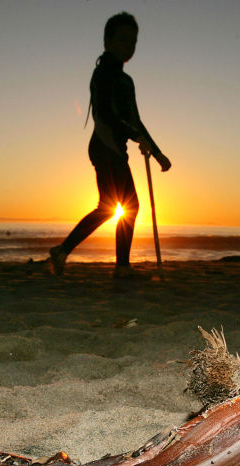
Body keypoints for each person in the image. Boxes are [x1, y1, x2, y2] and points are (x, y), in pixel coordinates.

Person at [48, 12, 171, 279]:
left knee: (109, 207)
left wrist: (157, 151)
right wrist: (136, 137)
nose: (129, 46)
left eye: (133, 41)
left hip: (116, 148)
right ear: (107, 41)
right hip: (104, 146)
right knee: (128, 205)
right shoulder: (102, 73)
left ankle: (62, 251)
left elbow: (135, 120)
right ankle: (121, 267)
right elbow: (104, 114)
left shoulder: (127, 81)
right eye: (123, 39)